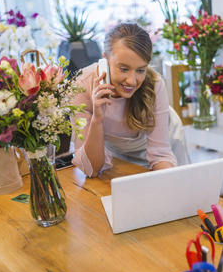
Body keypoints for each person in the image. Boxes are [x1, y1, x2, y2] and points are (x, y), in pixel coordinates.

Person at [72, 23, 177, 177]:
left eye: (141, 70)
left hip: (163, 145)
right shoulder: (82, 86)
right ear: (105, 60)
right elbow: (91, 170)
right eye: (124, 69)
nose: (132, 81)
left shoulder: (155, 85)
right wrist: (97, 119)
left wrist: (171, 183)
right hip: (120, 155)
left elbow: (160, 154)